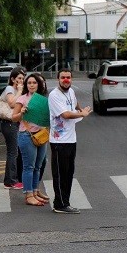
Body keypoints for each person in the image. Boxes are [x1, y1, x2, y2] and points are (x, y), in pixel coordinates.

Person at [49, 69, 92, 214]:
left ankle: (65, 202)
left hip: (71, 139)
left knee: (68, 173)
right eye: (63, 77)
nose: (66, 80)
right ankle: (59, 204)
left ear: (71, 79)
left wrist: (80, 108)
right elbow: (65, 115)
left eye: (68, 77)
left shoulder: (71, 91)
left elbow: (74, 102)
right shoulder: (54, 95)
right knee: (60, 174)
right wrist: (82, 114)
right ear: (58, 79)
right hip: (59, 141)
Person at [11, 72, 48, 207]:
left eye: (34, 83)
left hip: (41, 135)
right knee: (29, 166)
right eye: (29, 83)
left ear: (39, 84)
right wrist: (21, 113)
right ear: (26, 85)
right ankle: (29, 195)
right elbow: (13, 117)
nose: (31, 85)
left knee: (38, 166)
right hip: (26, 135)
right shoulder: (22, 99)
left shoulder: (42, 99)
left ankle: (35, 191)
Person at [0, 68, 25, 190]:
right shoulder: (10, 89)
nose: (21, 80)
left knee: (15, 151)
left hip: (15, 123)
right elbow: (11, 103)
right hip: (9, 123)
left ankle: (10, 179)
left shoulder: (16, 90)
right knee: (13, 152)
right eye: (19, 78)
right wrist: (19, 91)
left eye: (22, 78)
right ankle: (11, 181)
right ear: (13, 79)